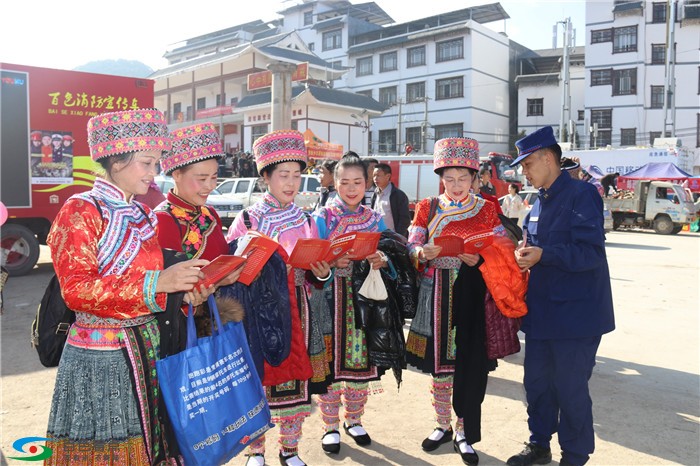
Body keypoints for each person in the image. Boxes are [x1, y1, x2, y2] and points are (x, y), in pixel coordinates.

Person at [44, 108, 214, 465]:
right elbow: (76, 290)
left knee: (149, 445)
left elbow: (152, 285)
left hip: (146, 346)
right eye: (147, 163)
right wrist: (158, 282)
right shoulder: (81, 211)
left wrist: (184, 291)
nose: (154, 174)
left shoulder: (140, 215)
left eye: (157, 164)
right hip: (101, 356)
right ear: (117, 162)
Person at [406, 137, 527, 466]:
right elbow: (414, 239)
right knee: (440, 366)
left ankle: (463, 429)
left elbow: (502, 248)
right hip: (436, 294)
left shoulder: (487, 208)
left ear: (475, 179)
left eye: (463, 178)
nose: (456, 185)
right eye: (449, 178)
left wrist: (483, 256)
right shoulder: (427, 207)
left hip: (474, 294)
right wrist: (420, 252)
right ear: (440, 178)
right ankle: (442, 424)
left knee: (468, 364)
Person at [507, 126, 615, 466]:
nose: (523, 172)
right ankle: (539, 443)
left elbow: (590, 253)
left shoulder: (582, 195)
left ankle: (575, 453)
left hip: (577, 317)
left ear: (548, 158)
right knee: (537, 383)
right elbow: (534, 245)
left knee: (570, 388)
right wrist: (524, 255)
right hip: (542, 313)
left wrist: (545, 254)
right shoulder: (539, 202)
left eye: (527, 165)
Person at [225, 129, 324, 466]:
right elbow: (230, 269)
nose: (292, 183)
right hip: (255, 310)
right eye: (283, 175)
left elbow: (315, 271)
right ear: (265, 176)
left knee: (294, 376)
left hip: (297, 305)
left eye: (297, 175)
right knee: (257, 376)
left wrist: (320, 270)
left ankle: (290, 448)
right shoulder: (248, 219)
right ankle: (256, 450)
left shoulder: (307, 219)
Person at [311, 153, 394, 456]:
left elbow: (391, 251)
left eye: (357, 182)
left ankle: (354, 419)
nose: (350, 188)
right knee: (331, 365)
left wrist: (382, 259)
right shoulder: (322, 217)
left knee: (361, 361)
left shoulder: (374, 218)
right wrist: (330, 261)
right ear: (334, 182)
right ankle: (330, 425)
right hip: (330, 298)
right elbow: (312, 261)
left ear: (366, 183)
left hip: (364, 300)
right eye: (344, 182)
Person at [370, 162, 411, 237]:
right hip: (378, 237)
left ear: (388, 176)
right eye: (374, 176)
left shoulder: (398, 195)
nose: (375, 179)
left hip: (393, 238)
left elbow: (405, 220)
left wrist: (398, 236)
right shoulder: (374, 195)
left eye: (378, 175)